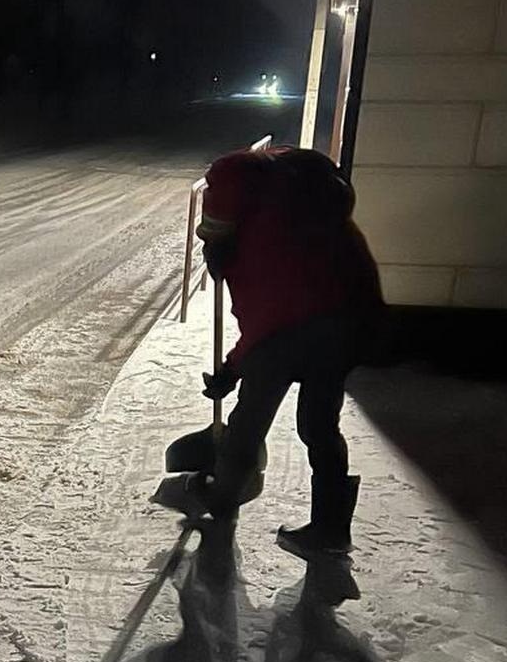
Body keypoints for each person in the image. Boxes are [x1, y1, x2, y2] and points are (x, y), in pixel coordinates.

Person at [161, 147, 384, 556]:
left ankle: (222, 502)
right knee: (319, 427)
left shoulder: (251, 244)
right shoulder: (305, 201)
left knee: (248, 424)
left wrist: (231, 371)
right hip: (351, 322)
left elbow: (263, 324)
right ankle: (331, 530)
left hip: (295, 331)